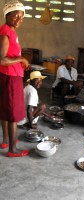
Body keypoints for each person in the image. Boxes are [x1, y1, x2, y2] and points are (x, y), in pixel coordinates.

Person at [0, 1, 30, 157]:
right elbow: (2, 60)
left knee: (5, 109)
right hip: (10, 78)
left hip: (11, 75)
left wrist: (19, 60)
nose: (19, 20)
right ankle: (12, 149)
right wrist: (21, 60)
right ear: (7, 15)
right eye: (16, 16)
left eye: (22, 17)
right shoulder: (5, 33)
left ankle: (6, 140)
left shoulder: (10, 31)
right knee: (12, 113)